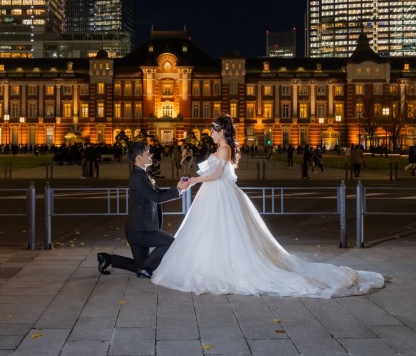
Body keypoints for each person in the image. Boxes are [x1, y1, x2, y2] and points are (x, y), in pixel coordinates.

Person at [151, 115, 384, 298]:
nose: (210, 133)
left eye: (213, 130)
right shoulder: (221, 148)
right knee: (211, 231)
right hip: (214, 195)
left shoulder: (224, 149)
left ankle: (220, 267)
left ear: (222, 131)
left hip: (219, 193)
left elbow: (216, 174)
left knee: (222, 230)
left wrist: (193, 180)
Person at [96, 142, 191, 279]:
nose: (151, 155)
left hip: (138, 228)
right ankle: (145, 268)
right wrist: (178, 190)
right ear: (139, 158)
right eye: (148, 153)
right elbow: (156, 197)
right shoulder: (137, 177)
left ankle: (108, 259)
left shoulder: (143, 175)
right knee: (170, 243)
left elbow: (158, 192)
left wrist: (178, 188)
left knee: (139, 266)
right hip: (140, 230)